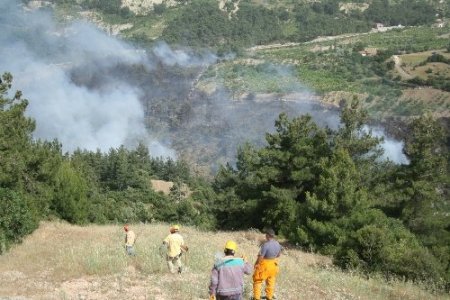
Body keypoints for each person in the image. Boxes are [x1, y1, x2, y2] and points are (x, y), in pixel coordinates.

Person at [252, 229, 282, 300]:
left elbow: (261, 257)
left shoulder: (266, 245)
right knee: (271, 282)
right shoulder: (277, 244)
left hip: (265, 265)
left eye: (266, 234)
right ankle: (269, 297)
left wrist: (256, 264)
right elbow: (278, 255)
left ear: (268, 235)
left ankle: (256, 298)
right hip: (274, 265)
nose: (265, 236)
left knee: (257, 280)